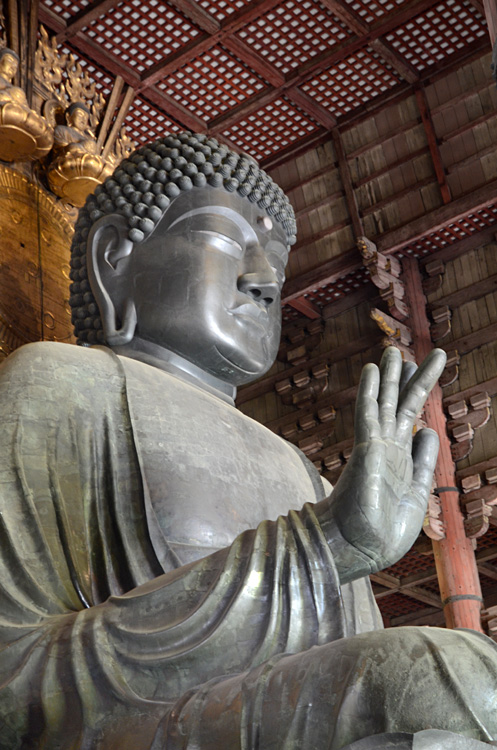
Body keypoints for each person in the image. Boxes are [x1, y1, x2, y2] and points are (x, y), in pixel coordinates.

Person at [0, 132, 496, 750]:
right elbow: (14, 684)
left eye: (277, 268)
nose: (264, 282)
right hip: (142, 730)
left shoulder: (300, 469)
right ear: (114, 258)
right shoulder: (61, 384)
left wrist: (341, 543)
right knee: (444, 678)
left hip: (278, 717)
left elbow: (349, 668)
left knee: (467, 675)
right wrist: (323, 544)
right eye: (227, 240)